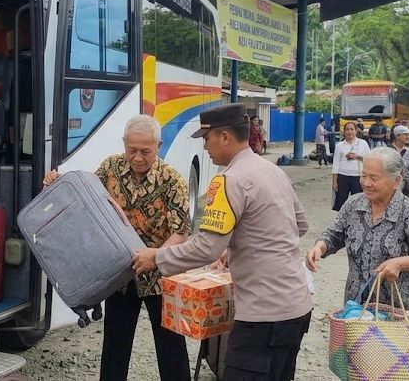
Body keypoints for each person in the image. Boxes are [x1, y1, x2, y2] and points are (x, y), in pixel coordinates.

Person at [132, 103, 312, 381]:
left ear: (225, 137)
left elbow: (206, 247)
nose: (205, 147)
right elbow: (299, 225)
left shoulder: (228, 180)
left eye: (206, 138)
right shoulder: (273, 171)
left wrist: (156, 257)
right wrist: (238, 245)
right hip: (297, 308)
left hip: (262, 318)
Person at [42, 115, 191, 381]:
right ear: (124, 143)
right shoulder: (110, 167)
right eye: (131, 150)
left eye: (145, 151)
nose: (137, 157)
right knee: (115, 348)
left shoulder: (173, 181)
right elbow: (85, 197)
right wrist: (56, 183)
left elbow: (181, 232)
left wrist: (155, 257)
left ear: (158, 145)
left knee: (171, 350)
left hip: (161, 277)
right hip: (120, 275)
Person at [306, 147, 409, 322]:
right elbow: (335, 234)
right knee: (358, 350)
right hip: (359, 310)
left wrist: (400, 263)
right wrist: (320, 247)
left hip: (401, 312)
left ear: (396, 181)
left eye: (374, 178)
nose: (366, 183)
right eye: (364, 176)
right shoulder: (353, 204)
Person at [332, 122, 370, 211]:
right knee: (341, 201)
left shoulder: (363, 143)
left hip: (358, 177)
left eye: (352, 129)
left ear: (356, 131)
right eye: (347, 130)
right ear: (344, 132)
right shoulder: (340, 145)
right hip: (343, 176)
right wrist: (334, 182)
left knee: (358, 201)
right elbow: (336, 163)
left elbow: (369, 159)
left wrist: (357, 157)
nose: (349, 132)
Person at [392, 125, 409, 198]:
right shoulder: (387, 150)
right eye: (405, 134)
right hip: (390, 184)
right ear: (397, 136)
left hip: (404, 187)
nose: (408, 137)